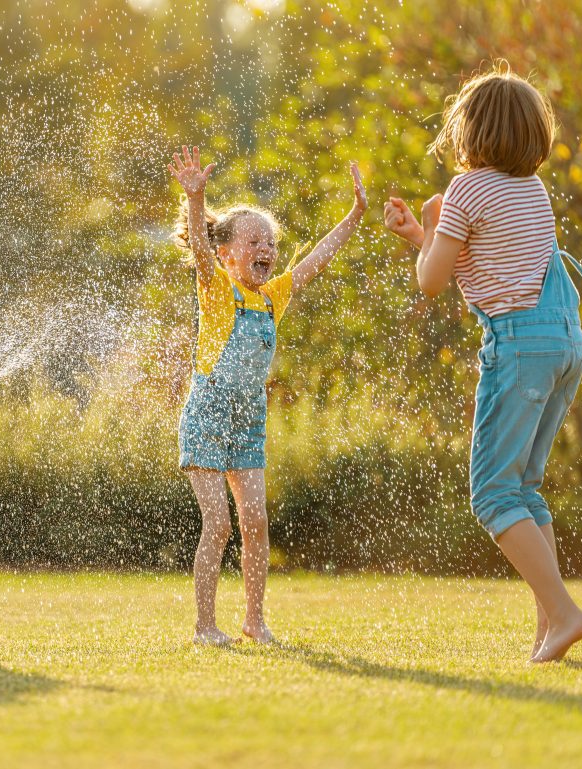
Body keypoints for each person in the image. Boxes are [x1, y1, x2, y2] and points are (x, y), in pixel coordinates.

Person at [384, 64, 582, 662]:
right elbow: (484, 261)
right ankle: (549, 628)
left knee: (491, 492)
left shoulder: (465, 190)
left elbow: (432, 280)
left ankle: (563, 613)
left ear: (471, 131)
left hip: (517, 348)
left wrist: (431, 226)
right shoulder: (529, 191)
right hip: (563, 342)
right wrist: (426, 234)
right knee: (524, 487)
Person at [169, 145, 367, 645]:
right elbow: (197, 246)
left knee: (254, 521)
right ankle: (204, 627)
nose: (266, 249)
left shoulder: (274, 296)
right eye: (254, 240)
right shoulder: (215, 288)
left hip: (248, 420)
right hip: (208, 417)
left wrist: (355, 214)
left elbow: (317, 259)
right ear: (228, 253)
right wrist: (197, 197)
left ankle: (254, 620)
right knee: (218, 525)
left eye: (271, 242)